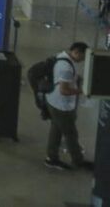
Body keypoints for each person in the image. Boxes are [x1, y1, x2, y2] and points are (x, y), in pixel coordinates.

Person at [44, 41, 94, 171]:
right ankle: (78, 161)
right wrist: (82, 91)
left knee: (56, 130)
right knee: (71, 134)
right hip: (61, 106)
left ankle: (51, 158)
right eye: (82, 57)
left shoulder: (62, 56)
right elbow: (64, 90)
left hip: (53, 101)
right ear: (76, 52)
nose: (82, 60)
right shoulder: (65, 67)